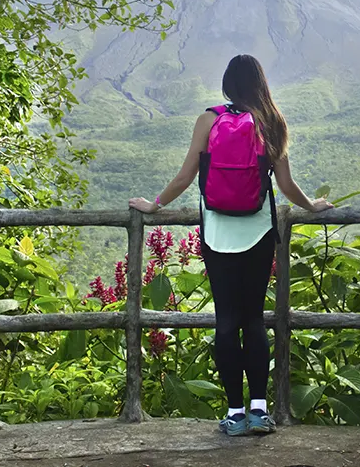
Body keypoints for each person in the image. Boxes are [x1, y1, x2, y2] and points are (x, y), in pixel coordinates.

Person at [129, 54, 333, 436]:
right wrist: (312, 205)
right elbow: (286, 186)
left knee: (226, 323)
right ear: (261, 84)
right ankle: (260, 411)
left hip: (217, 233)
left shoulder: (209, 119)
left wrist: (153, 205)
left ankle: (235, 414)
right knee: (254, 320)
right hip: (257, 232)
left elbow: (186, 176)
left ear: (227, 84)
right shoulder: (272, 121)